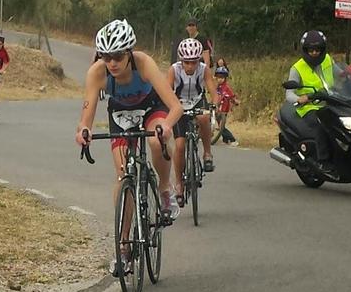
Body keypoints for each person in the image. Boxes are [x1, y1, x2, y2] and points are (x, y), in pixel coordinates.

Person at [75, 18, 183, 231]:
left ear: (129, 52)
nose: (112, 63)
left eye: (117, 56)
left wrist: (167, 126)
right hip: (120, 113)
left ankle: (163, 188)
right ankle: (123, 242)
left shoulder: (143, 63)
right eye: (106, 56)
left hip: (151, 106)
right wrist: (84, 132)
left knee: (154, 141)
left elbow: (176, 107)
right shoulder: (96, 72)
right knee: (123, 173)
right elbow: (86, 119)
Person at [167, 38, 219, 206]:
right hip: (179, 104)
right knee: (180, 146)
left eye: (194, 62)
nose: (190, 66)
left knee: (204, 117)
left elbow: (212, 88)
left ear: (198, 60)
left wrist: (215, 103)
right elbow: (167, 91)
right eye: (187, 62)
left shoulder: (204, 70)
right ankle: (179, 184)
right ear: (181, 61)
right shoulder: (174, 70)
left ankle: (207, 153)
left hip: (197, 100)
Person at [285, 30, 342, 173]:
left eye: (318, 49)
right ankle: (323, 161)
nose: (315, 53)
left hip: (330, 102)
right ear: (305, 50)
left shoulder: (328, 59)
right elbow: (289, 94)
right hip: (309, 107)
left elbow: (339, 74)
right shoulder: (297, 68)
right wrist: (300, 98)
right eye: (311, 50)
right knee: (321, 125)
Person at [214, 64, 240, 146]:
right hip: (217, 108)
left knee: (222, 126)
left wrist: (235, 101)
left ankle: (232, 139)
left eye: (221, 78)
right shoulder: (218, 87)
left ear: (225, 78)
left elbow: (232, 96)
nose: (220, 80)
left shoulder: (226, 87)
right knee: (219, 125)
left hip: (224, 109)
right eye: (218, 78)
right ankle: (225, 139)